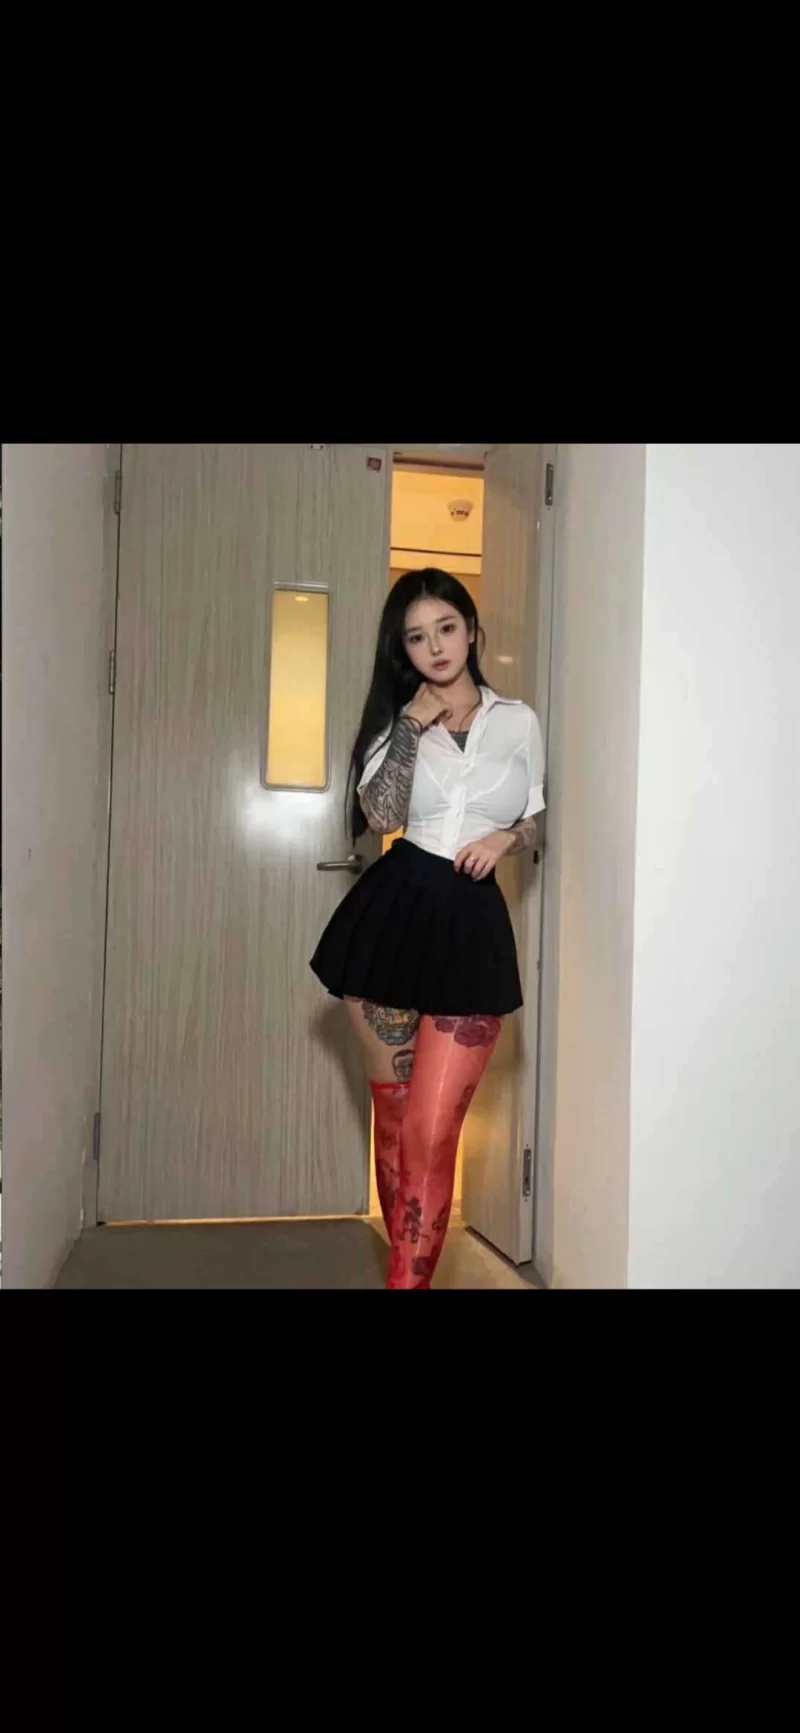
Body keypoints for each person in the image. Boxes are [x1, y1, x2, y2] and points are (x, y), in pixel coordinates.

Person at [311, 568, 545, 1289]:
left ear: (471, 630)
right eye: (416, 637)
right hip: (393, 914)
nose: (435, 647)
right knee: (396, 1120)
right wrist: (411, 724)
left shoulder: (519, 721)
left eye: (446, 628)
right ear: (402, 649)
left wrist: (505, 838)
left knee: (431, 1130)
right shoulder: (395, 724)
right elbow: (382, 817)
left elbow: (535, 816)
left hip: (471, 922)